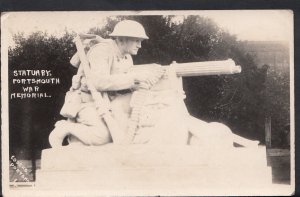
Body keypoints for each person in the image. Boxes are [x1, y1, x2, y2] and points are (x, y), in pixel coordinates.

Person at [49, 19, 259, 148]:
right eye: (137, 40)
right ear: (122, 39)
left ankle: (206, 134)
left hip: (112, 101)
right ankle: (65, 128)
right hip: (87, 103)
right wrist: (135, 79)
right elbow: (99, 81)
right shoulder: (103, 51)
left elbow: (126, 82)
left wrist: (152, 77)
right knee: (101, 137)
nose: (140, 45)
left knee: (162, 101)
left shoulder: (126, 57)